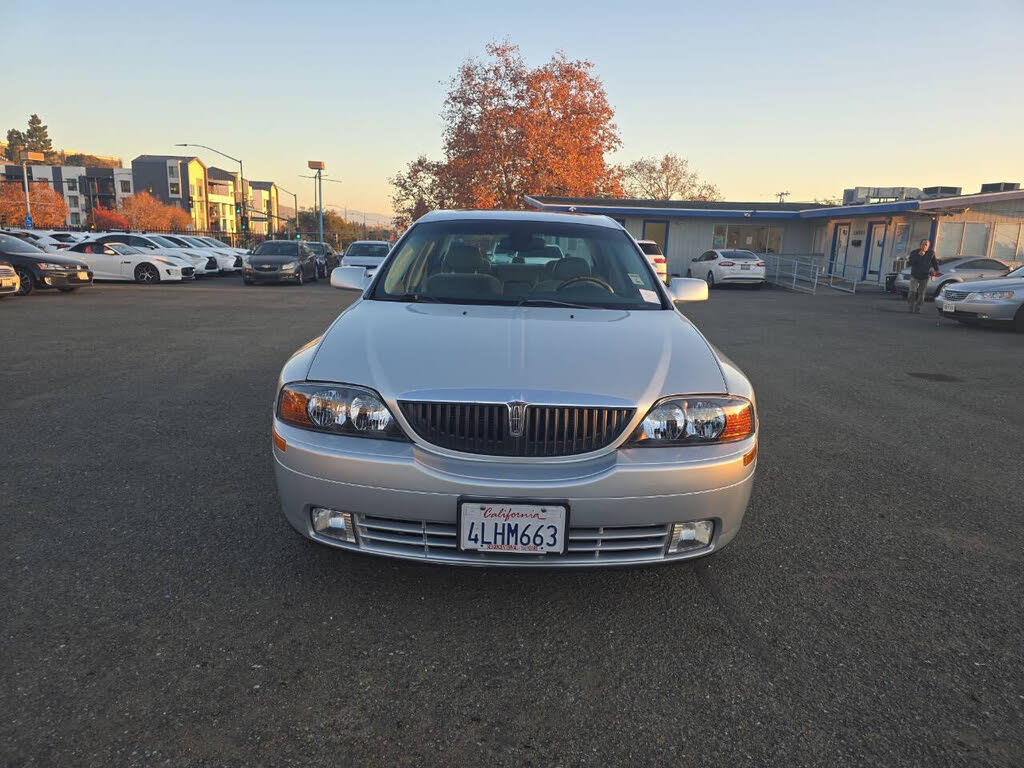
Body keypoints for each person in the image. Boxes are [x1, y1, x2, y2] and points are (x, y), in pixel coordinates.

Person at [906, 238, 938, 313]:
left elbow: (934, 263)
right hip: (915, 275)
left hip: (925, 276)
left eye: (926, 244)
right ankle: (911, 307)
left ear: (928, 246)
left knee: (922, 293)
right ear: (920, 245)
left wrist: (935, 270)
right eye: (923, 244)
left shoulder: (931, 253)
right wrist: (918, 256)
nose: (924, 246)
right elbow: (910, 263)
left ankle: (918, 308)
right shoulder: (914, 252)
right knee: (912, 292)